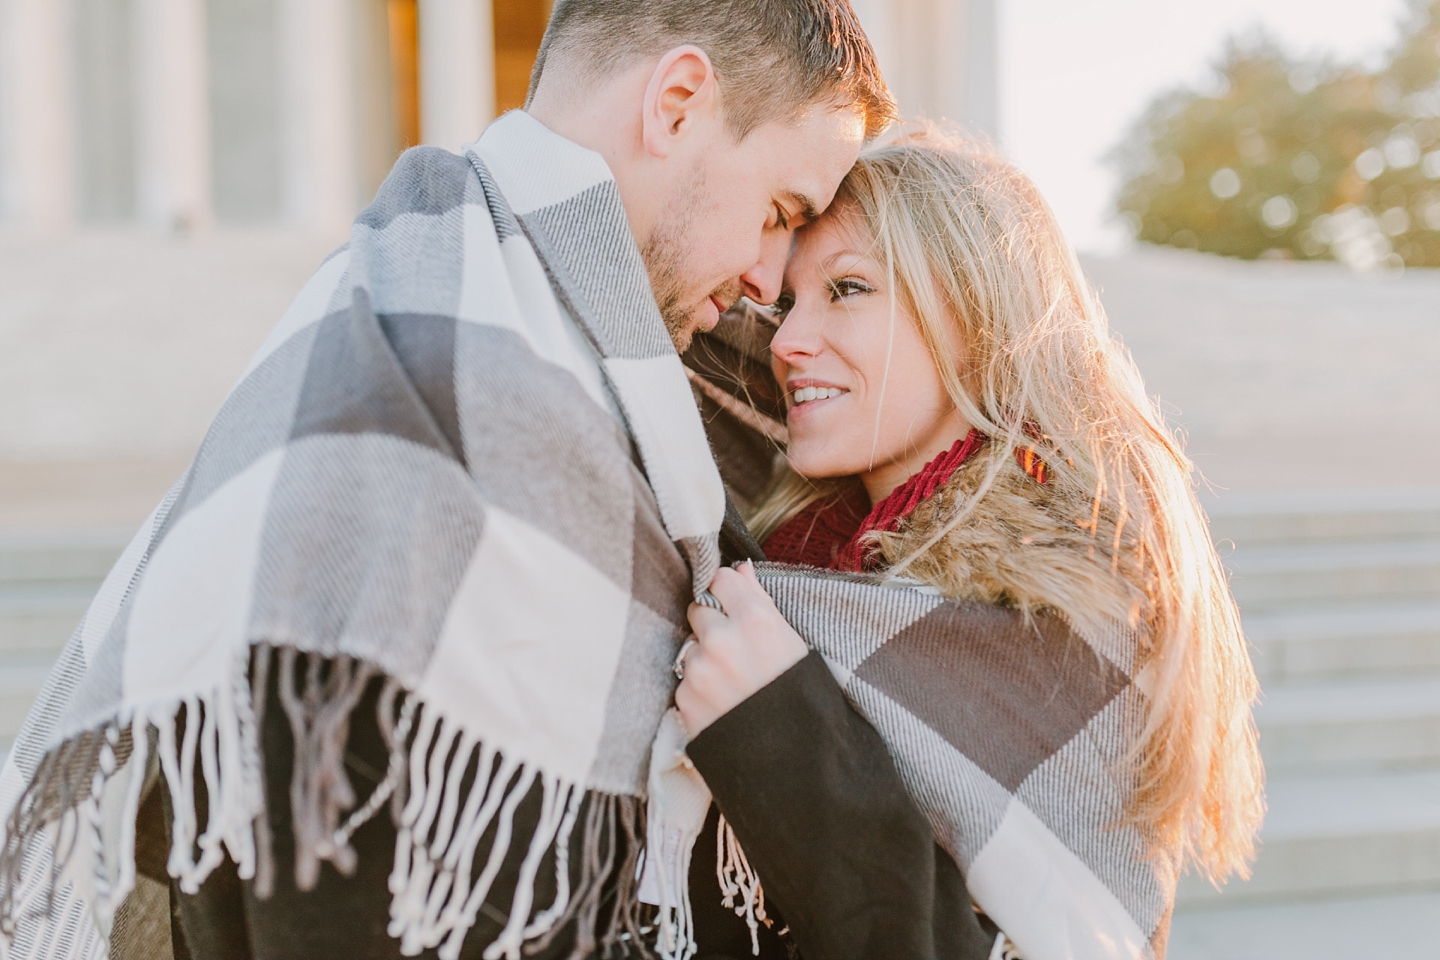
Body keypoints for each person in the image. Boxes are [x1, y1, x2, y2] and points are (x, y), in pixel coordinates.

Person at [0, 4, 908, 959]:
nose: (771, 279)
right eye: (779, 215)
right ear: (676, 104)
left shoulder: (463, 341)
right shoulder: (428, 416)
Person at [674, 128, 1266, 959]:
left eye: (846, 289)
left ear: (979, 319)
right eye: (786, 304)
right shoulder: (779, 555)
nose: (784, 342)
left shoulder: (1067, 618)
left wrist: (780, 732)